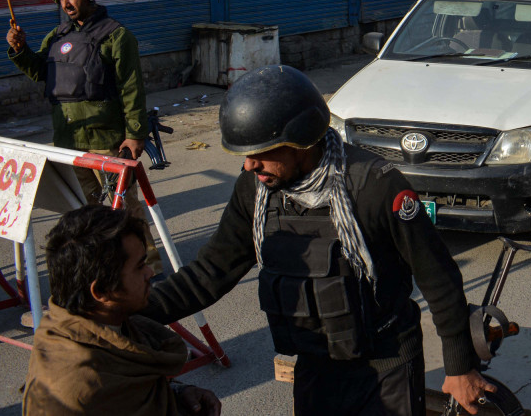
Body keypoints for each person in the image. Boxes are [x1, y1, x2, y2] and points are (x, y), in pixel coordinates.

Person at [139, 65, 492, 415]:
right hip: (315, 367)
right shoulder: (257, 191)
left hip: (388, 365)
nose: (249, 166)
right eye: (245, 155)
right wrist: (127, 311)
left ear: (302, 140)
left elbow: (438, 277)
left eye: (262, 152)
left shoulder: (374, 186)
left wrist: (459, 366)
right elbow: (210, 272)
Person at [5, 0, 161, 275]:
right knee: (86, 210)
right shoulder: (57, 35)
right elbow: (40, 72)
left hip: (108, 140)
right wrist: (19, 49)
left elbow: (131, 87)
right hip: (69, 141)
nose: (65, 3)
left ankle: (147, 266)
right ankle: (106, 263)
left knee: (126, 209)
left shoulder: (117, 36)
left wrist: (135, 134)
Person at [23, 205, 220, 416]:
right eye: (139, 267)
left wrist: (178, 392)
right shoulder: (77, 391)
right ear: (101, 291)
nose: (150, 273)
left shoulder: (102, 325)